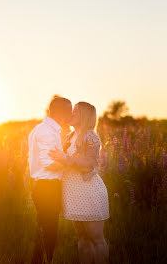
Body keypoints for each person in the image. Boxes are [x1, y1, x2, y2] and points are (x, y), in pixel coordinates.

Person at [49, 102, 110, 264]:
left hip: (89, 191)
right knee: (82, 238)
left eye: (75, 111)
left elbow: (89, 164)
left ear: (83, 116)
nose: (71, 113)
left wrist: (65, 159)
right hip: (75, 194)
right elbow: (62, 161)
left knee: (96, 238)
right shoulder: (70, 136)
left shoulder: (90, 136)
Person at [28, 97, 72, 264]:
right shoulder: (47, 132)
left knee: (43, 232)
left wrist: (63, 154)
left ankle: (39, 261)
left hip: (42, 186)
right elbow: (49, 164)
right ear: (62, 113)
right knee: (49, 232)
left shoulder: (43, 129)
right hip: (48, 188)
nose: (71, 115)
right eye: (69, 111)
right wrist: (69, 161)